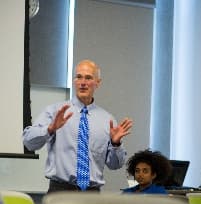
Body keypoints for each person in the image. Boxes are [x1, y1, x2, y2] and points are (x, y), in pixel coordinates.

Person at [22, 59, 133, 192]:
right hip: (60, 191)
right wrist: (50, 129)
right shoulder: (55, 111)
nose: (83, 83)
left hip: (91, 194)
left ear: (98, 83)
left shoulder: (107, 120)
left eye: (88, 78)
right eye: (79, 77)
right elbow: (28, 143)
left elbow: (115, 165)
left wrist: (116, 144)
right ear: (74, 81)